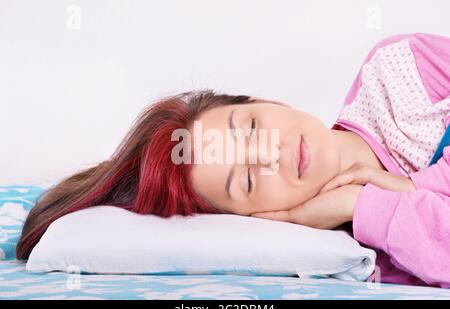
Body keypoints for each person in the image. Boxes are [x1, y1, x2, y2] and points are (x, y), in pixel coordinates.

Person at [17, 33, 450, 288]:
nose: (269, 155)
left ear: (268, 101)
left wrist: (413, 188)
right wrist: (360, 205)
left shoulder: (400, 70)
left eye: (251, 128)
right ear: (256, 218)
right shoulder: (364, 260)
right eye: (245, 181)